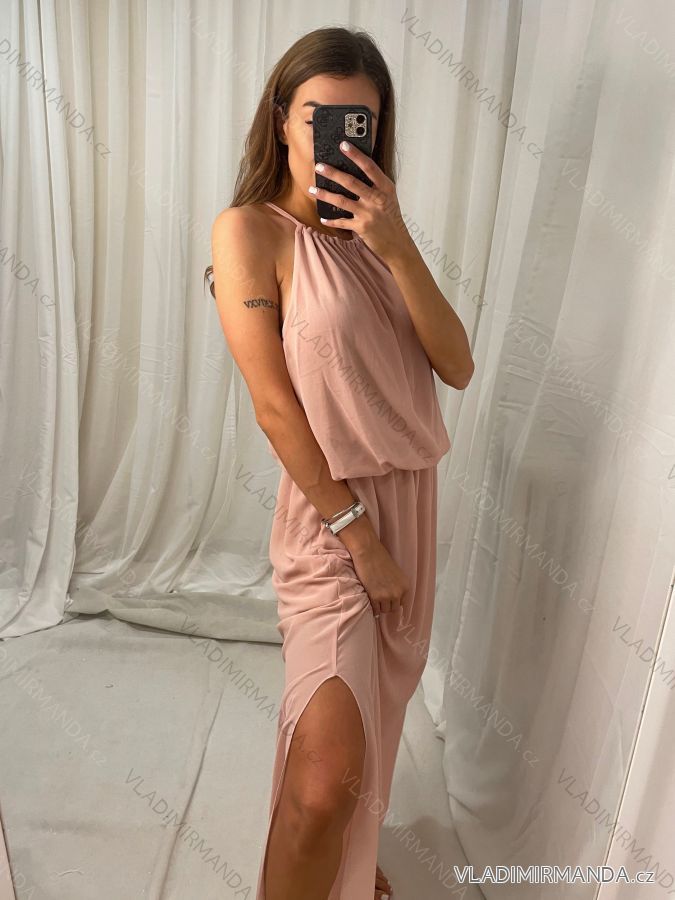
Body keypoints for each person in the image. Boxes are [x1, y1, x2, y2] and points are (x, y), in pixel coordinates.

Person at [207, 25, 474, 900]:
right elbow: (274, 406)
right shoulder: (249, 232)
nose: (339, 139)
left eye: (360, 123)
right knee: (324, 781)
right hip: (333, 517)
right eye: (320, 117)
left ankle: (347, 870)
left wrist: (395, 244)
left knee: (369, 730)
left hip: (411, 506)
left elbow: (457, 365)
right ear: (281, 119)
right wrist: (361, 541)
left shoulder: (378, 240)